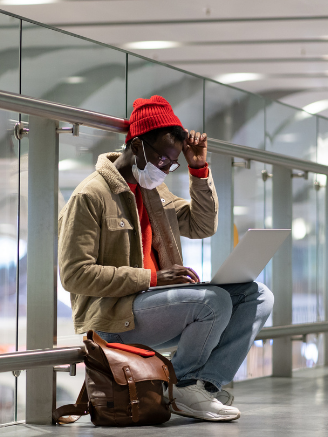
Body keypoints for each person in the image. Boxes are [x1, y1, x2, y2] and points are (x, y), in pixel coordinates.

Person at [58, 95, 274, 422]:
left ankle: (202, 384)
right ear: (138, 145)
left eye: (172, 165)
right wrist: (154, 279)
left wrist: (198, 170)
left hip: (156, 308)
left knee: (257, 296)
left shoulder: (154, 193)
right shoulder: (91, 195)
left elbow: (202, 225)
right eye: (162, 160)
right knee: (212, 302)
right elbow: (75, 275)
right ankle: (181, 386)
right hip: (113, 317)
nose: (165, 169)